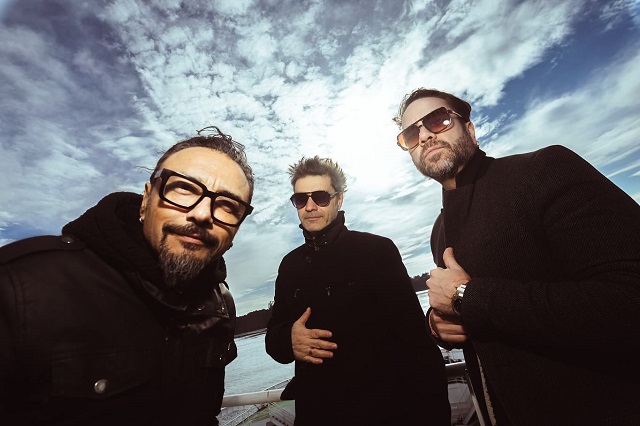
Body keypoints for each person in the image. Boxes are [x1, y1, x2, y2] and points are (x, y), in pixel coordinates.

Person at [393, 88, 640, 425]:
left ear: (470, 129)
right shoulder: (440, 230)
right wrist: (438, 325)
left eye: (438, 120)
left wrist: (467, 296)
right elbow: (464, 313)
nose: (424, 136)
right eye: (411, 134)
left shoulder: (543, 169)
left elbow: (630, 298)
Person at [0, 126, 254, 425]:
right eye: (184, 188)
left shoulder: (219, 305)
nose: (202, 214)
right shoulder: (22, 286)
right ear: (146, 200)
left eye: (227, 206)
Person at [265, 156, 450, 425]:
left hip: (381, 413)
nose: (310, 206)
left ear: (339, 200)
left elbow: (417, 346)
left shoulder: (376, 251)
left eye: (320, 197)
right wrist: (288, 340)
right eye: (300, 199)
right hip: (316, 415)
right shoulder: (289, 265)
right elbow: (273, 338)